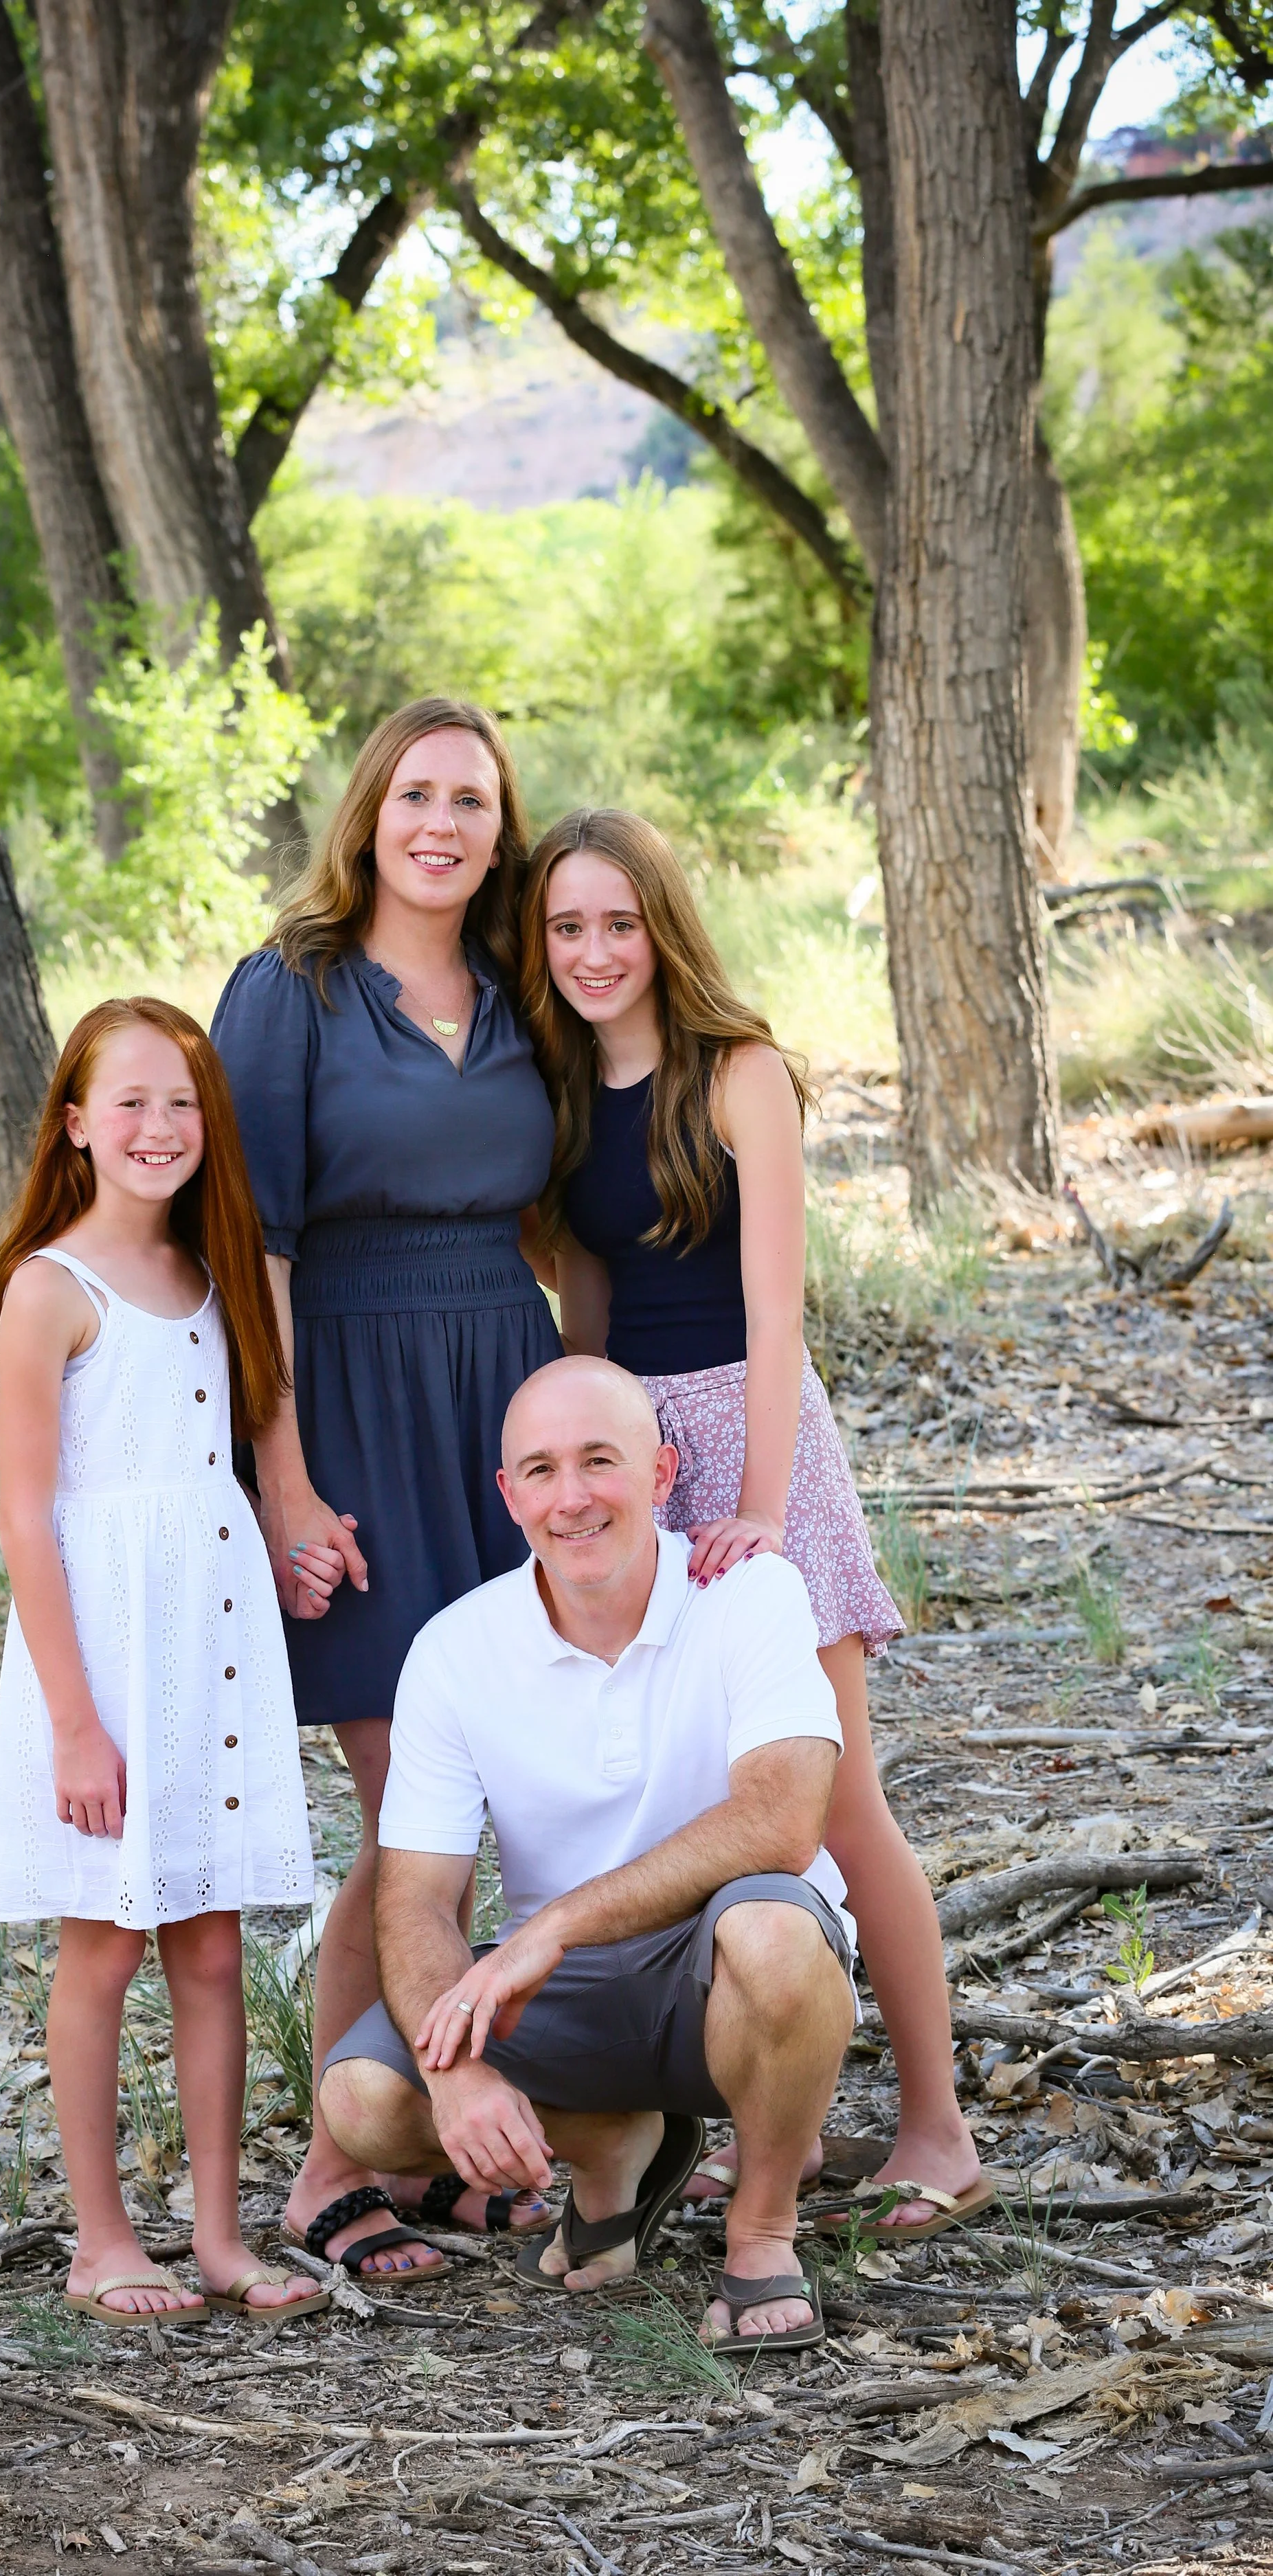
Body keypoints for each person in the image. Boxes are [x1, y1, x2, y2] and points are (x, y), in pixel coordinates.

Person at [521, 809, 990, 2241]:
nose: (594, 952)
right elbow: (590, 1311)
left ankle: (935, 2126)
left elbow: (775, 1310)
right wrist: (595, 1466)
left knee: (832, 1796)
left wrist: (758, 1511)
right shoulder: (558, 1094)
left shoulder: (738, 1075)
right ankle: (752, 2108)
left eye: (618, 923)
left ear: (662, 925)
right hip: (632, 1454)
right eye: (564, 928)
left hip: (749, 1438)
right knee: (690, 1805)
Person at [211, 699, 562, 2281]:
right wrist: (281, 1478)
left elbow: (563, 1220)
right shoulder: (287, 991)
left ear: (500, 827)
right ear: (368, 812)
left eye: (471, 800)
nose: (442, 822)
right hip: (345, 1399)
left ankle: (425, 2138)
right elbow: (251, 1245)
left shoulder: (518, 990)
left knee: (504, 1796)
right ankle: (321, 2173)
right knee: (401, 1817)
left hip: (503, 1395)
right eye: (415, 793)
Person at [319, 1356, 857, 2350]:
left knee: (775, 1925)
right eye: (541, 1469)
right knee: (364, 2099)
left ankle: (762, 2232)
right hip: (561, 1995)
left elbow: (784, 1822)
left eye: (600, 1461)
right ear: (509, 1493)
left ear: (661, 1473)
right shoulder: (455, 1648)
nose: (572, 1497)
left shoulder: (750, 1593)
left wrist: (558, 1922)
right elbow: (415, 1903)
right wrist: (459, 2074)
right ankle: (616, 2147)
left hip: (720, 1976)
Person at [0, 997, 323, 2327]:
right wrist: (75, 1722)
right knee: (103, 1948)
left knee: (212, 1947)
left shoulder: (216, 1270)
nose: (157, 1127)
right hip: (103, 1657)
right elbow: (26, 1513)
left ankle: (223, 2235)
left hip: (210, 1646)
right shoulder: (50, 1290)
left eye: (181, 1102)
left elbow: (224, 1461)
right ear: (75, 1123)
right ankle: (101, 2235)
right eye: (127, 1102)